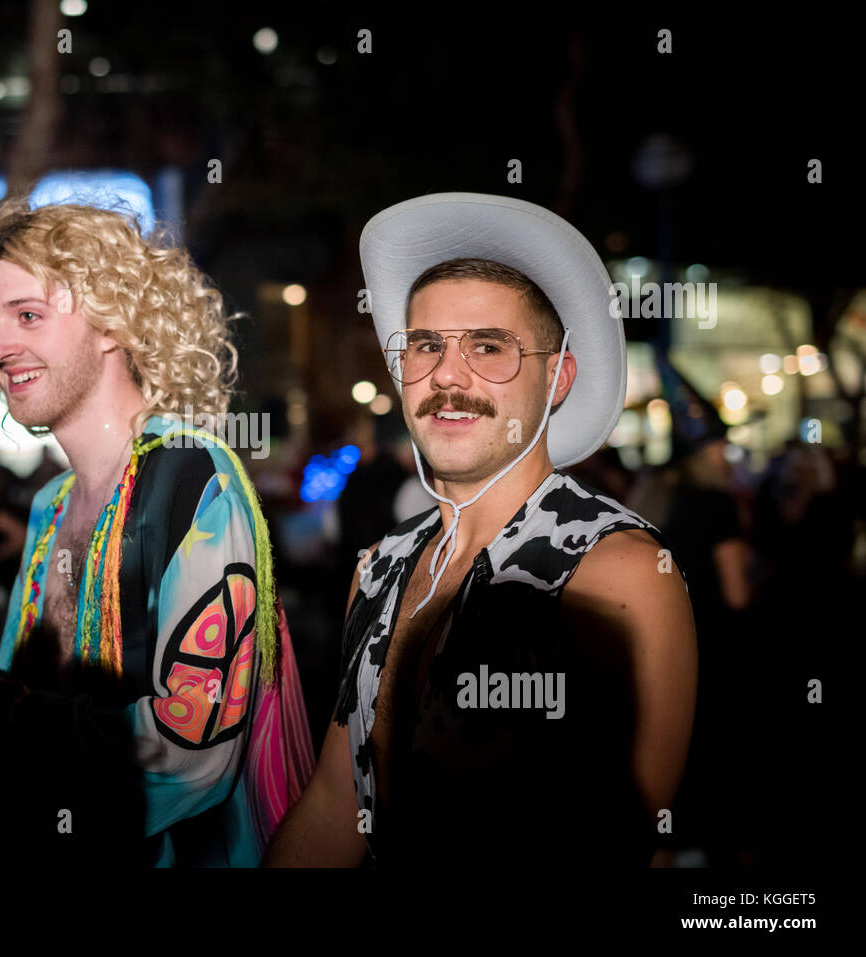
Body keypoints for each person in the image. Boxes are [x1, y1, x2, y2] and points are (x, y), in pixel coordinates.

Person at [0, 197, 313, 866]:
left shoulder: (191, 482)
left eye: (28, 316)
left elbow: (196, 751)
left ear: (111, 322)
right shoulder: (50, 506)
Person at [265, 193, 697, 867]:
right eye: (426, 345)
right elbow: (335, 801)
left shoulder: (615, 571)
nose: (447, 374)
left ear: (557, 378)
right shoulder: (379, 565)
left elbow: (623, 841)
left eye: (489, 347)